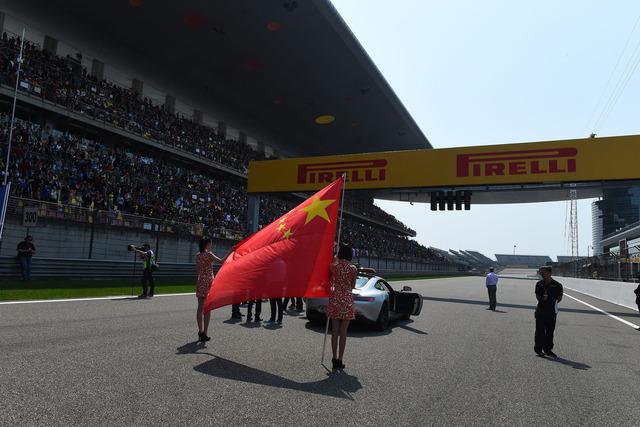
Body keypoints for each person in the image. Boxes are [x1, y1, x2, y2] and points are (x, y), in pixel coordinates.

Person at [327, 243, 357, 370]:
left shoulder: (334, 266)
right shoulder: (353, 268)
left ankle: (334, 358)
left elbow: (330, 280)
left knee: (334, 330)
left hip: (336, 298)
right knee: (343, 331)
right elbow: (352, 286)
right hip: (347, 300)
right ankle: (340, 359)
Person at [195, 237, 223, 342]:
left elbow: (198, 270)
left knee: (200, 308)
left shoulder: (198, 255)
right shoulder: (209, 254)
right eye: (210, 243)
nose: (211, 245)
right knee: (207, 308)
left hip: (200, 281)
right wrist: (231, 250)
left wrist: (199, 280)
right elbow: (221, 261)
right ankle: (205, 333)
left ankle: (200, 331)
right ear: (207, 244)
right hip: (208, 282)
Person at [534, 266, 563, 357]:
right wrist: (543, 299)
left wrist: (550, 301)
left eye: (544, 272)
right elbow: (537, 296)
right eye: (541, 272)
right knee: (539, 331)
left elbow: (559, 298)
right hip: (540, 310)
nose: (542, 274)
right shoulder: (539, 284)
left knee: (550, 332)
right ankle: (538, 350)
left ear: (550, 273)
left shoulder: (557, 285)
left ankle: (548, 350)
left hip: (551, 312)